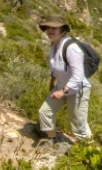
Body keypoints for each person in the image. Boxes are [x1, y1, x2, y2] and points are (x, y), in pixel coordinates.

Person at [37, 14, 92, 143]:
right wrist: (52, 82)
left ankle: (91, 153)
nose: (50, 30)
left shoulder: (71, 48)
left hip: (78, 89)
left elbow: (78, 76)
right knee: (44, 112)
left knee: (78, 126)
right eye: (48, 27)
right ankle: (53, 140)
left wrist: (62, 92)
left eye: (54, 28)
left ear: (62, 30)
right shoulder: (53, 46)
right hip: (62, 86)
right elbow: (55, 67)